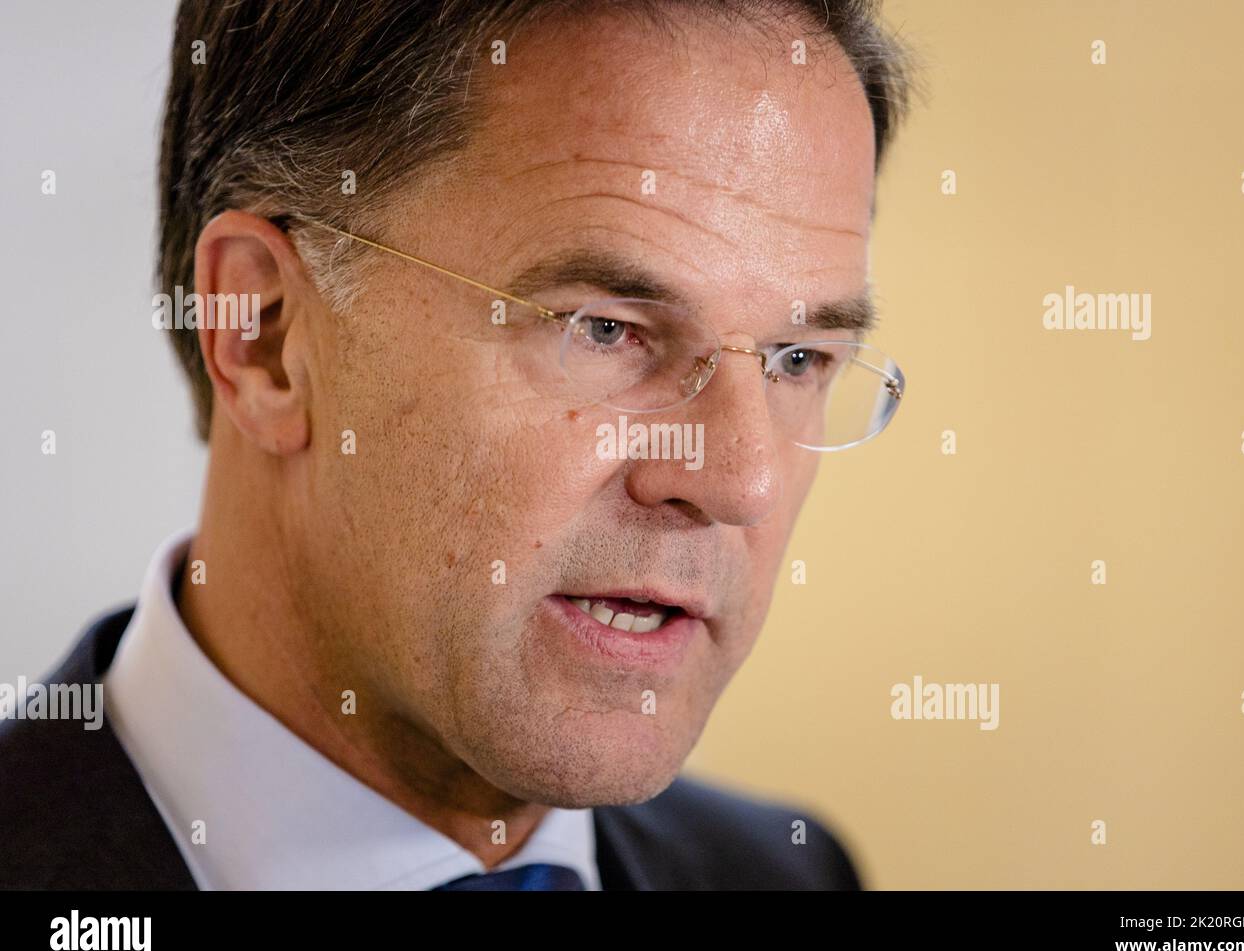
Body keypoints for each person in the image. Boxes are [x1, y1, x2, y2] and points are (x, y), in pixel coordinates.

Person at [0, 0, 910, 890]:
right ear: (265, 336)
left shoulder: (786, 872)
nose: (742, 480)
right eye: (605, 330)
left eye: (798, 358)